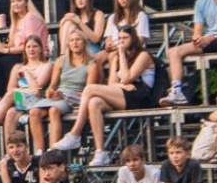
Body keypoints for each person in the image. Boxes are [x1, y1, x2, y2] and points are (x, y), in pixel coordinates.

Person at [53, 24, 156, 165]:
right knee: (94, 102)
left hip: (141, 96)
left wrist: (121, 55)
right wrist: (121, 84)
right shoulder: (116, 57)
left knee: (90, 89)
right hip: (124, 93)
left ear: (133, 39)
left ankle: (75, 134)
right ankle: (101, 152)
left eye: (125, 38)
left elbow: (127, 77)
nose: (122, 41)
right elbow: (112, 83)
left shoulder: (143, 55)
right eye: (119, 38)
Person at [0, 33, 51, 152]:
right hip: (22, 101)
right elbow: (10, 89)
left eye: (35, 46)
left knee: (12, 94)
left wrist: (26, 73)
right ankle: (9, 154)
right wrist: (19, 89)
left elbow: (36, 89)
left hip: (39, 101)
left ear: (40, 49)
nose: (31, 49)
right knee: (10, 112)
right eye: (28, 47)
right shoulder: (18, 67)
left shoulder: (46, 66)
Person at [30, 28, 94, 154]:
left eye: (78, 40)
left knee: (54, 110)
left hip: (75, 97)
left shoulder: (91, 64)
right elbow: (53, 85)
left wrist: (64, 94)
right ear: (68, 44)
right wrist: (50, 91)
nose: (75, 43)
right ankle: (39, 151)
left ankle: (53, 151)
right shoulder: (61, 61)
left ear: (84, 43)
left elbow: (89, 89)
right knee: (34, 112)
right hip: (59, 95)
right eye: (72, 40)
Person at [55, 0, 106, 68]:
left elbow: (96, 38)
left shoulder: (98, 14)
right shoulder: (74, 16)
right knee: (67, 23)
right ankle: (63, 55)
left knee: (69, 24)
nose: (80, 0)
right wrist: (63, 22)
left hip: (91, 48)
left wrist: (79, 22)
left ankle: (63, 57)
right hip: (74, 48)